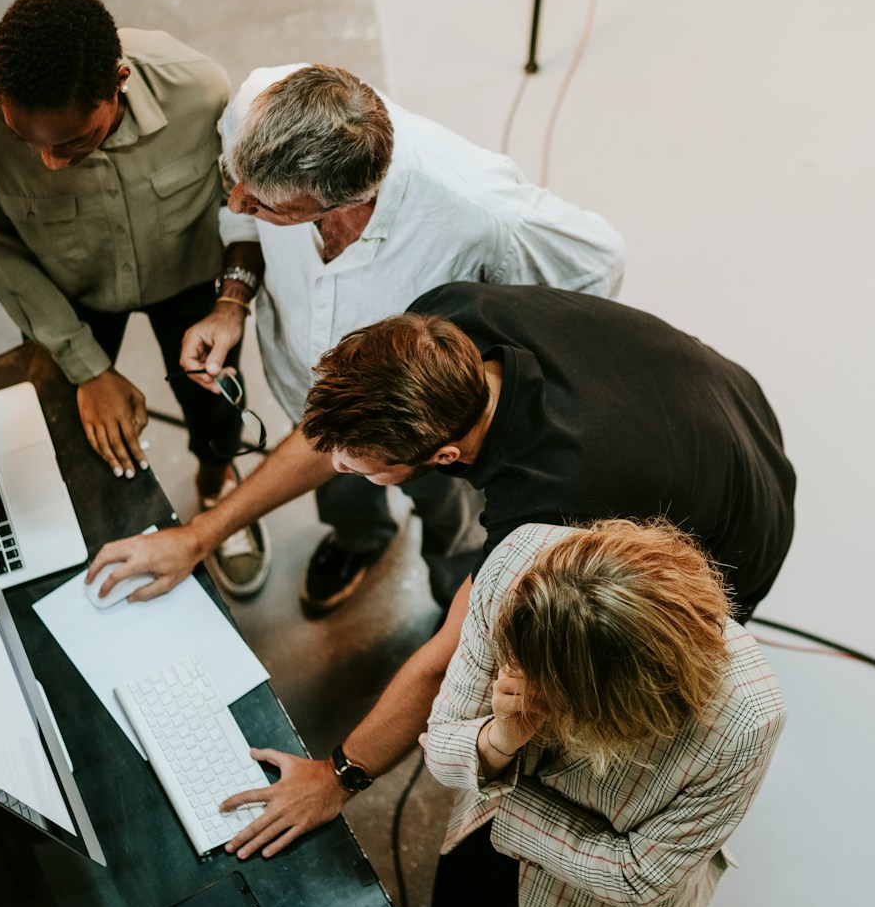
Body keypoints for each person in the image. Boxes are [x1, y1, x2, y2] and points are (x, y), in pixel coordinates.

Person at [90, 282, 795, 858]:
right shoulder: (446, 326)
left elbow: (444, 660)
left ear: (443, 459)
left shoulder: (547, 510)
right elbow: (329, 434)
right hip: (714, 396)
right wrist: (198, 536)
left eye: (352, 468)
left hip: (728, 530)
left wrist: (335, 780)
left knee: (565, 663)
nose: (331, 467)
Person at [170, 63, 625, 610]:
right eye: (235, 178)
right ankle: (360, 537)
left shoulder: (480, 212)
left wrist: (462, 381)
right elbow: (240, 206)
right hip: (303, 386)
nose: (239, 204)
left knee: (454, 526)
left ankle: (454, 607)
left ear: (344, 201)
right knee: (337, 483)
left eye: (270, 207)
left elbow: (594, 268)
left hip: (421, 432)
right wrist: (232, 299)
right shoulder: (256, 105)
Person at [0, 0, 267, 591]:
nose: (51, 164)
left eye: (76, 142)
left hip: (185, 277)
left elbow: (244, 200)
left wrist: (231, 301)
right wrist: (86, 368)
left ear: (121, 81)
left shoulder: (200, 90)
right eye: (28, 144)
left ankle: (217, 486)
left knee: (213, 407)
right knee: (67, 421)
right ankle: (96, 531)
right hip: (62, 294)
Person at [420, 519, 786, 907]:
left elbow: (639, 876)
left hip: (622, 872)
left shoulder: (747, 719)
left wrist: (503, 794)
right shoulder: (520, 565)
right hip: (510, 828)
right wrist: (499, 739)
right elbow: (442, 748)